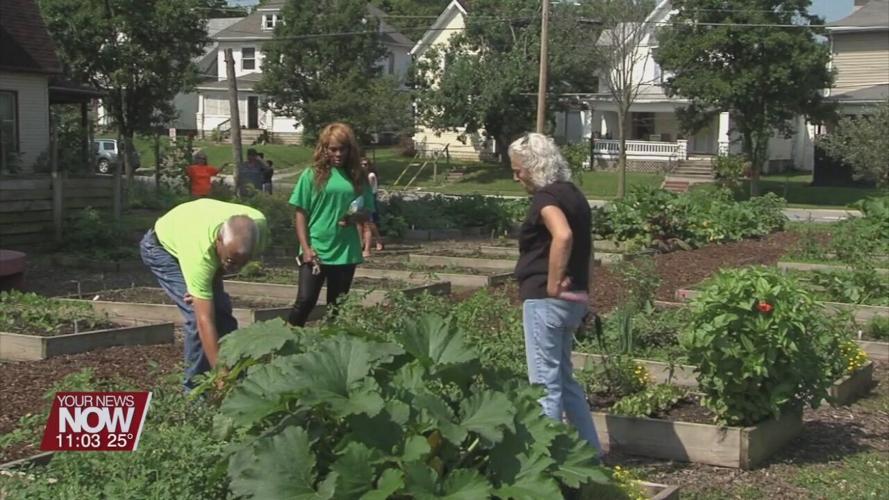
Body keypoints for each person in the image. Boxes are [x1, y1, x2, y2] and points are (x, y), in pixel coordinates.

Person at [509, 132, 601, 451]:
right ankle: (590, 456)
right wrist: (584, 288)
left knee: (544, 385)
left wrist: (551, 284)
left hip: (546, 301)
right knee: (565, 380)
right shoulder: (575, 195)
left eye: (518, 169)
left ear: (533, 166)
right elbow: (589, 251)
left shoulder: (546, 199)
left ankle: (548, 464)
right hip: (573, 299)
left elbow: (562, 236)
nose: (515, 175)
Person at [139, 198, 269, 390]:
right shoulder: (199, 256)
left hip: (193, 228)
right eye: (231, 261)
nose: (236, 268)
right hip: (162, 249)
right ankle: (196, 392)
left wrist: (214, 278)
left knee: (222, 311)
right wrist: (220, 376)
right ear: (219, 241)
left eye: (242, 262)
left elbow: (227, 261)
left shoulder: (258, 227)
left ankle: (237, 375)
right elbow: (204, 320)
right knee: (196, 316)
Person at [287, 122, 374, 327]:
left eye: (342, 149)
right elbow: (300, 213)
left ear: (350, 149)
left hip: (345, 250)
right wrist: (306, 248)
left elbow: (367, 211)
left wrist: (354, 218)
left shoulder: (357, 176)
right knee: (305, 300)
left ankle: (329, 347)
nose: (338, 154)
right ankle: (286, 342)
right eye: (332, 149)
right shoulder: (312, 175)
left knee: (336, 306)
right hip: (316, 249)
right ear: (324, 149)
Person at [360, 157, 384, 257]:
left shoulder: (371, 175)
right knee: (360, 224)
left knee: (368, 224)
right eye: (361, 164)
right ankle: (363, 243)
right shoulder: (360, 175)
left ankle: (368, 248)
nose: (363, 166)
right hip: (359, 200)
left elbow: (367, 187)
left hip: (368, 200)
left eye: (366, 164)